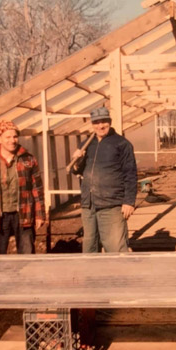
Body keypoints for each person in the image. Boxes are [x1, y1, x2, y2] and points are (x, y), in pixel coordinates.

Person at [71, 107, 137, 253]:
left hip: (111, 204)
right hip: (89, 204)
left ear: (110, 122)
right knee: (89, 247)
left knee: (115, 247)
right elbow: (75, 171)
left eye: (104, 122)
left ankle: (120, 275)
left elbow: (130, 174)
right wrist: (77, 161)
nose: (100, 126)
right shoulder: (86, 144)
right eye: (96, 122)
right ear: (92, 124)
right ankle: (91, 276)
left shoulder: (121, 144)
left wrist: (129, 201)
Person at [0, 120, 45, 254]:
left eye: (15, 136)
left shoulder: (28, 159)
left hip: (24, 213)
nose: (12, 140)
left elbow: (37, 188)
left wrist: (40, 215)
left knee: (27, 254)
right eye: (8, 137)